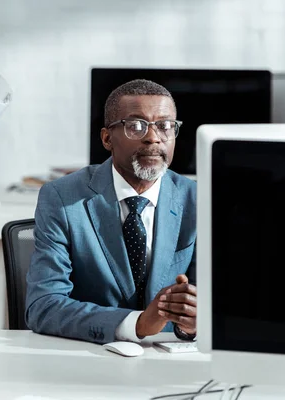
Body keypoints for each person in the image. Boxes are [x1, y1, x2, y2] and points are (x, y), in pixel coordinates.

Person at [25, 79, 197, 344]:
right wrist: (136, 324)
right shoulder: (61, 198)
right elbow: (43, 306)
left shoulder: (198, 199)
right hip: (87, 355)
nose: (153, 137)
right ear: (107, 138)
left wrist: (191, 324)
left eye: (165, 126)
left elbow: (217, 304)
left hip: (171, 358)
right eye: (136, 126)